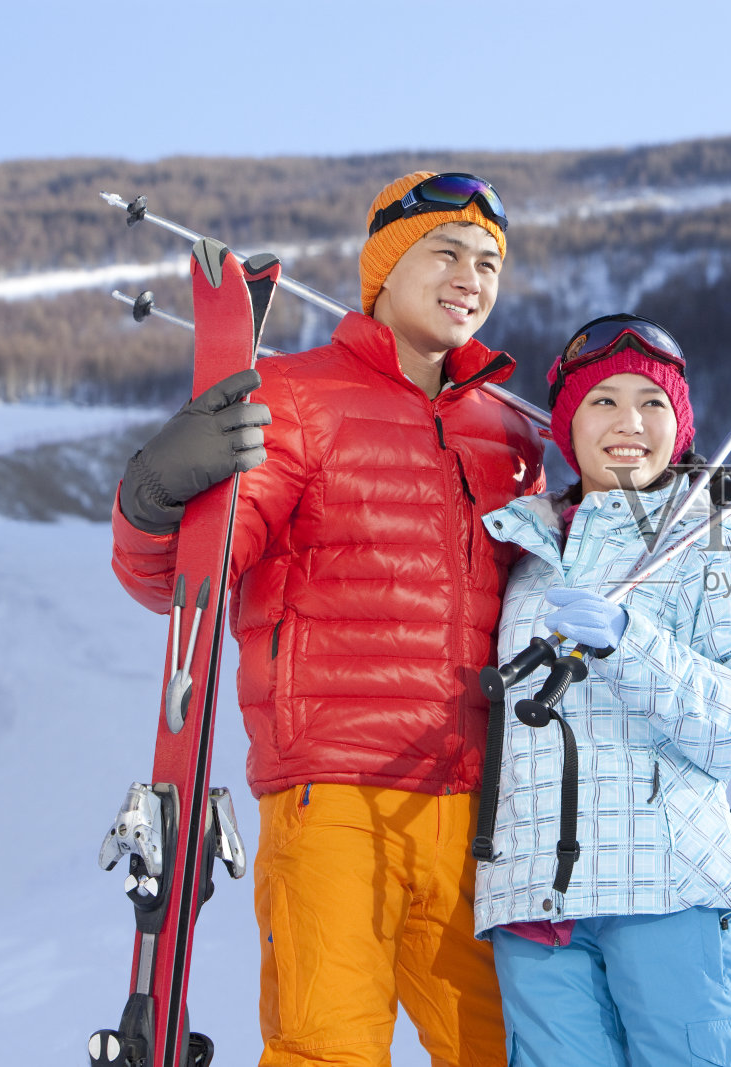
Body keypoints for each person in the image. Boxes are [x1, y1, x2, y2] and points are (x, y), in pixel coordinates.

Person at [110, 171, 545, 1067]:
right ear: (384, 267)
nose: (472, 275)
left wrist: (661, 507)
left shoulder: (511, 436)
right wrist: (155, 494)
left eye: (491, 262)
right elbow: (177, 582)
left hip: (478, 810)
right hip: (335, 794)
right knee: (328, 1048)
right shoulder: (298, 398)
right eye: (447, 252)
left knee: (508, 1050)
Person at [474, 315, 731, 1066]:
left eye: (652, 403)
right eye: (602, 402)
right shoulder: (520, 549)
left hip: (669, 892)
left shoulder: (713, 543)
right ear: (566, 424)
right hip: (533, 904)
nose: (629, 423)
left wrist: (630, 641)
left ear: (678, 425)